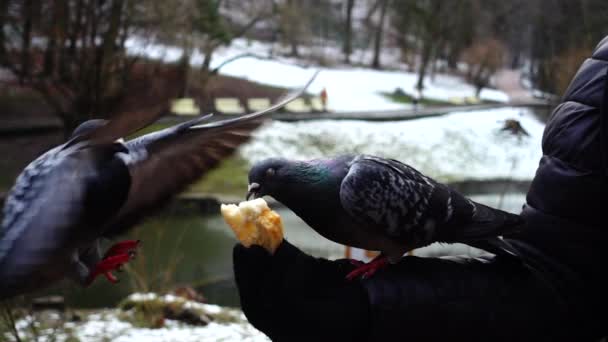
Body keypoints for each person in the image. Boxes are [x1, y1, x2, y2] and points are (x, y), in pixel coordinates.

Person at [233, 37, 608, 342]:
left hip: (443, 217)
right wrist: (367, 307)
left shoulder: (354, 185)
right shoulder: (599, 87)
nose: (261, 193)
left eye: (266, 185)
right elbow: (556, 285)